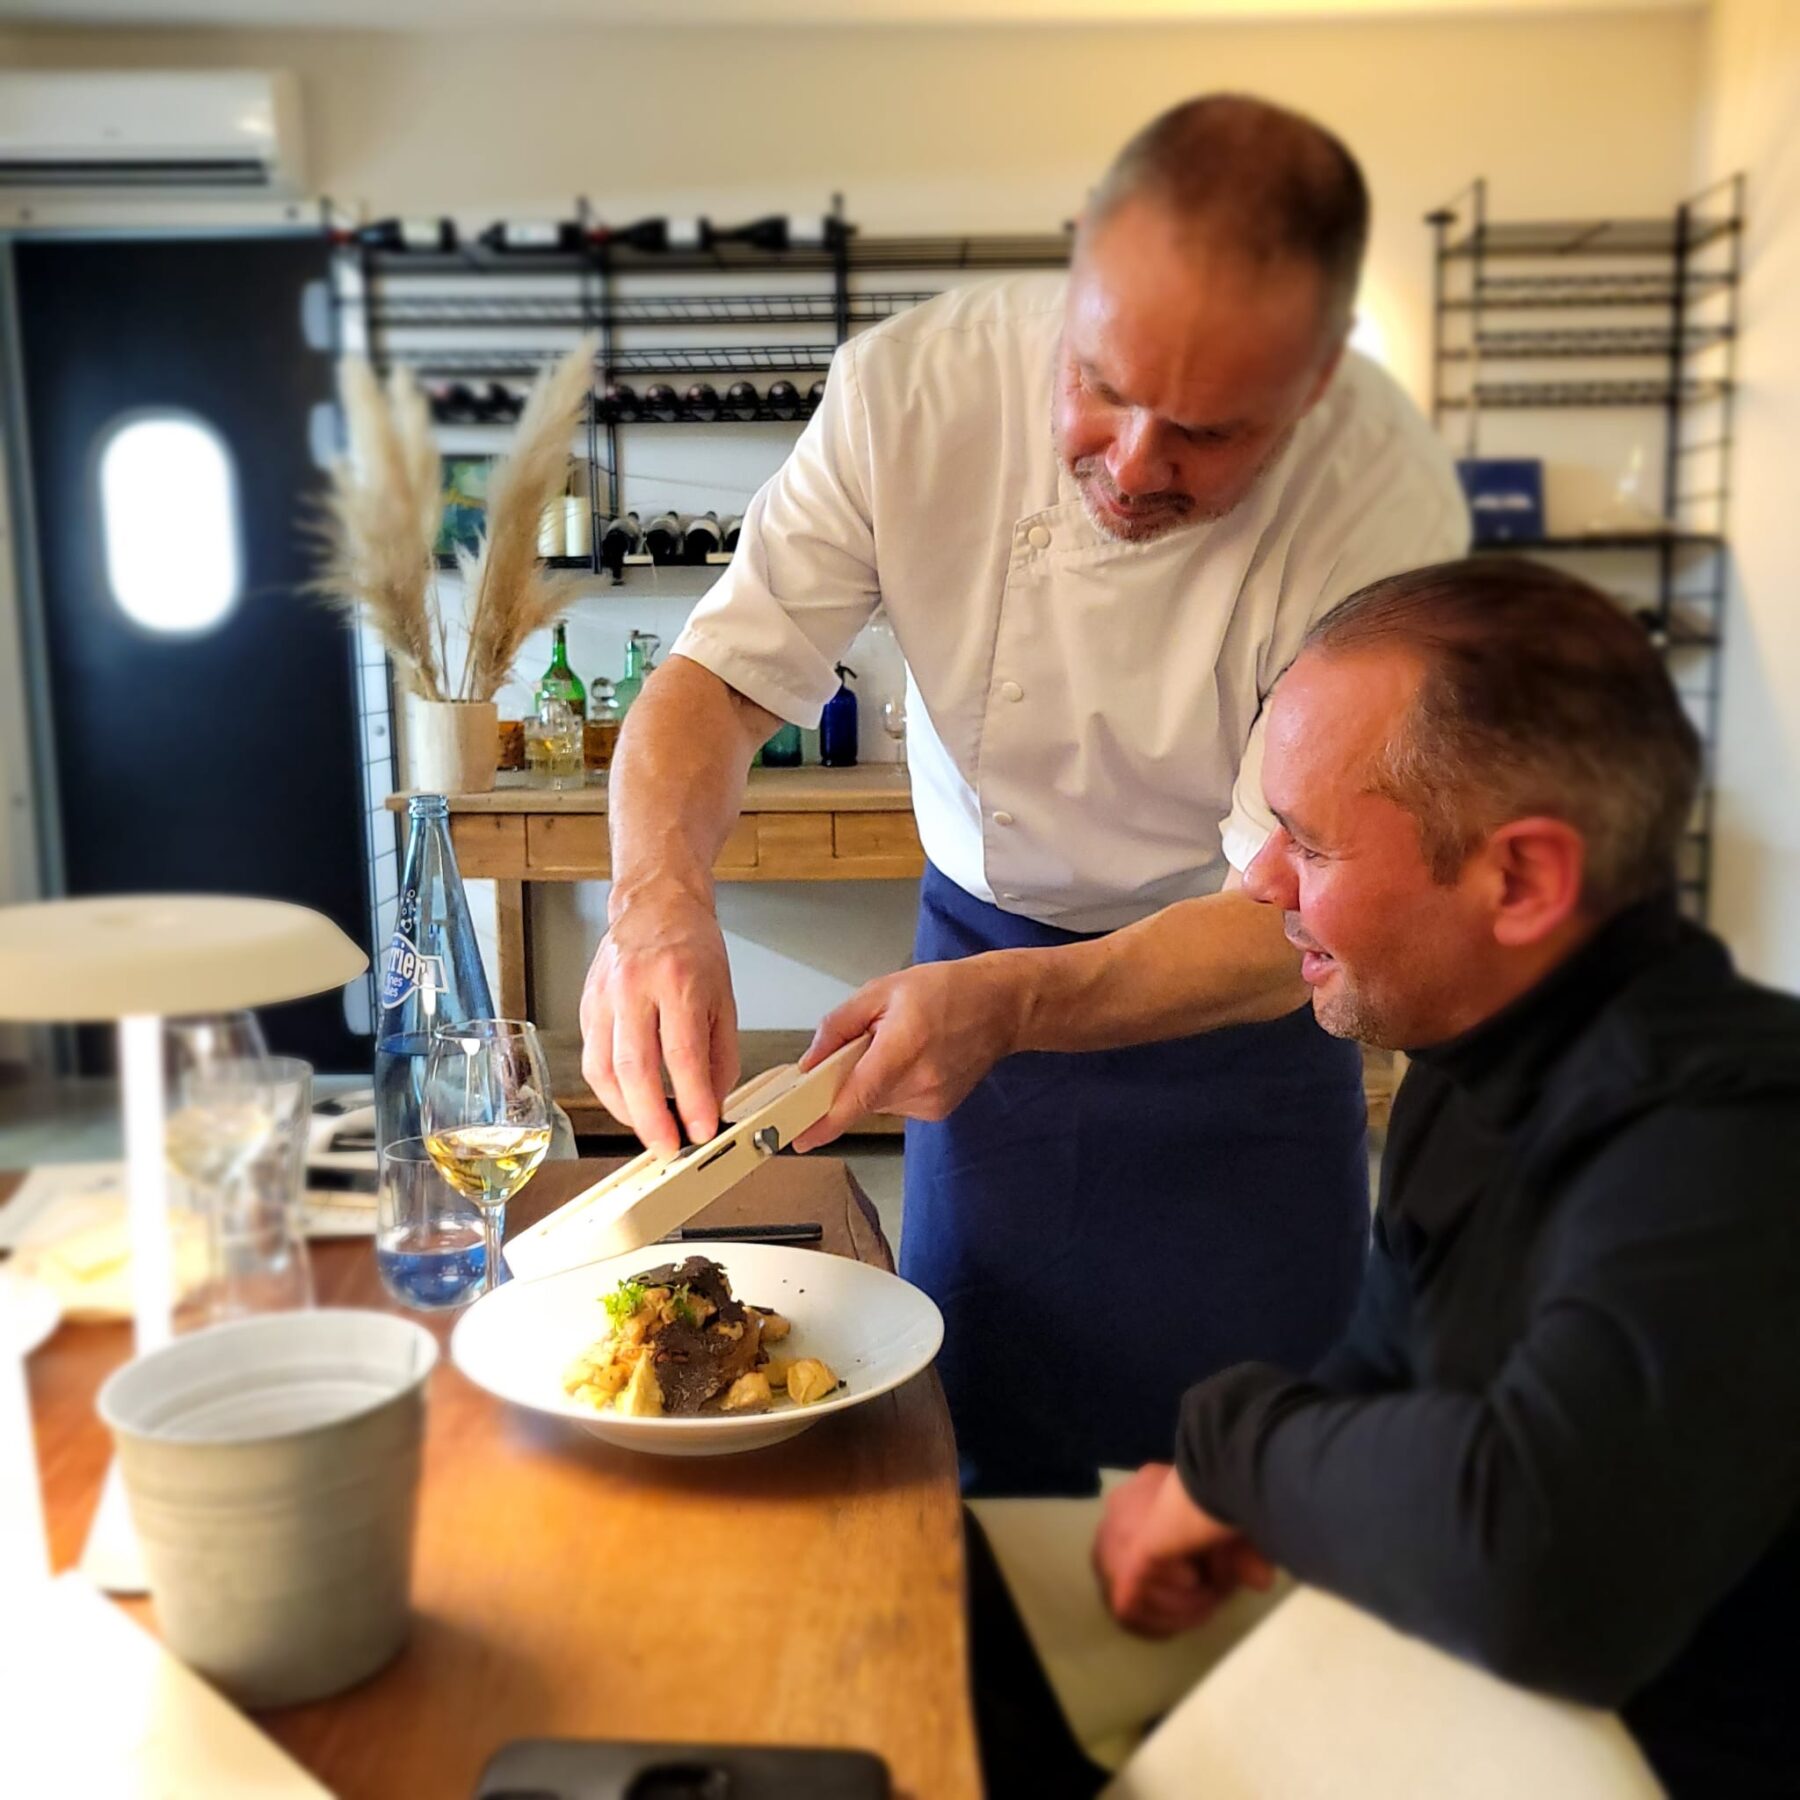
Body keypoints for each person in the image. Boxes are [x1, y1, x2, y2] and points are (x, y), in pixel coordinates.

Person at [581, 94, 1466, 1495]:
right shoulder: (909, 389)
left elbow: (1305, 894)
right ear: (1077, 271)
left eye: (1208, 432)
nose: (1134, 465)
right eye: (1104, 385)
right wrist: (652, 899)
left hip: (1245, 1010)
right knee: (975, 1449)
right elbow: (717, 679)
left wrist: (1028, 1005)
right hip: (976, 961)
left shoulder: (1386, 500)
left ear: (1311, 386)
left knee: (1249, 1487)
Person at [1093, 557, 1800, 1795]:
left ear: (1520, 879)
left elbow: (1541, 1568)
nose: (1261, 882)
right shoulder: (1462, 1065)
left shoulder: (1739, 1140)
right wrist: (1258, 1501)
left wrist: (1227, 1455)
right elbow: (1387, 1371)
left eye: (1311, 843)